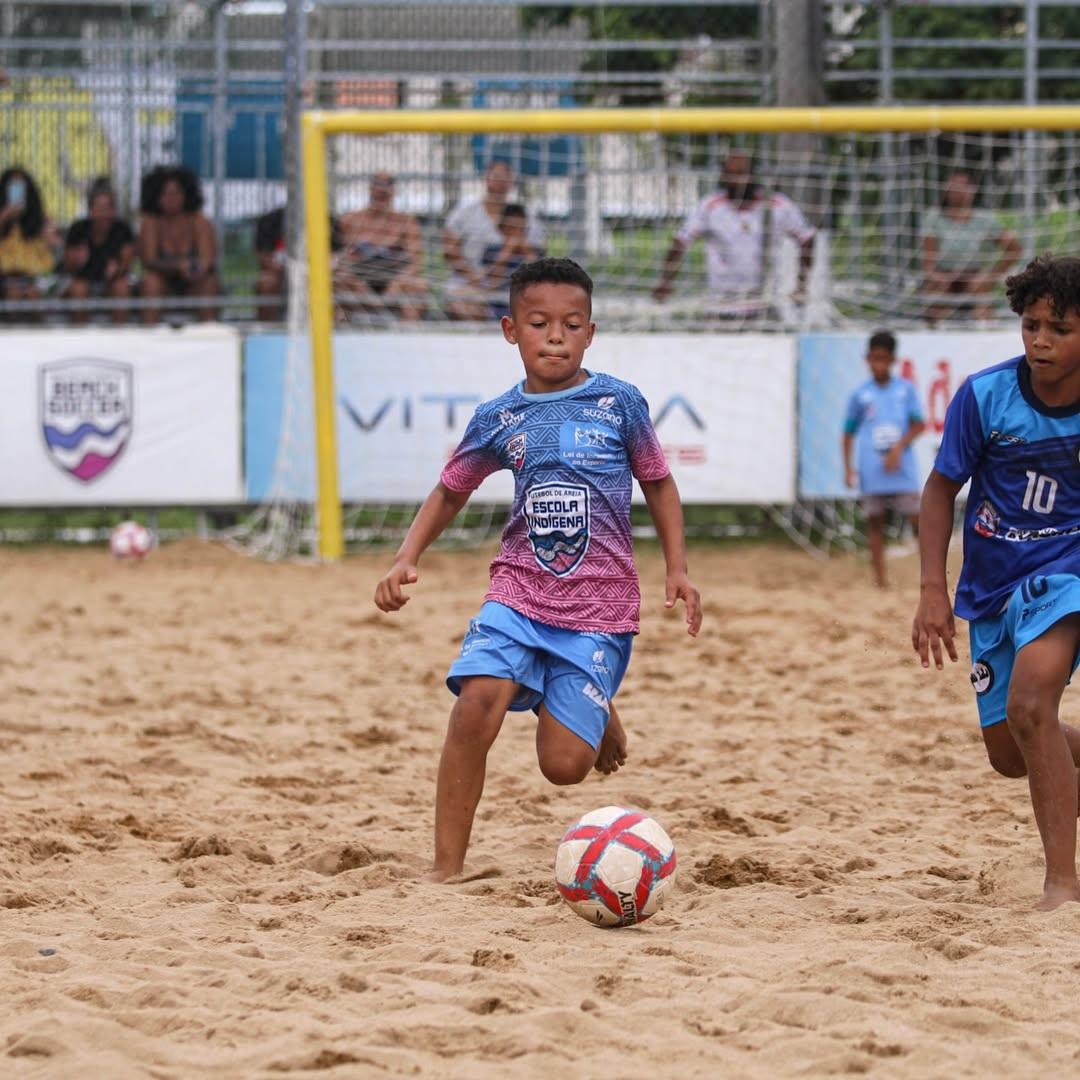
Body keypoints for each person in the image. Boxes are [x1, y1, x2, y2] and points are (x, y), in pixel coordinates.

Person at [374, 257, 703, 882]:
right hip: (518, 591)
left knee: (563, 767)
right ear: (510, 330)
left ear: (590, 333)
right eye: (539, 323)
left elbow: (659, 484)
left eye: (570, 324)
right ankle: (447, 869)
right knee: (476, 702)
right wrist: (406, 556)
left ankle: (596, 705)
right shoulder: (499, 417)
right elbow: (450, 490)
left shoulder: (619, 403)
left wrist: (678, 569)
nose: (555, 336)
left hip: (600, 609)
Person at [913, 254, 1080, 911]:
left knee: (1034, 704)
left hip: (1066, 576)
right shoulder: (985, 397)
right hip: (990, 587)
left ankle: (1062, 885)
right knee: (1012, 751)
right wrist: (932, 589)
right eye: (1030, 324)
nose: (1040, 339)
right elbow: (939, 490)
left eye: (1059, 328)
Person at [652, 149, 816, 316]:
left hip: (763, 305)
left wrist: (802, 285)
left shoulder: (778, 205)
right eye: (729, 174)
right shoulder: (710, 206)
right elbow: (680, 241)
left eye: (740, 173)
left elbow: (807, 238)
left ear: (753, 175)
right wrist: (665, 283)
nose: (735, 180)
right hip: (720, 305)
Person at [842, 330, 926, 588]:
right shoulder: (860, 395)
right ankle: (880, 580)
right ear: (867, 359)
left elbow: (919, 425)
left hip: (901, 468)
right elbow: (847, 432)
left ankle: (928, 577)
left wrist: (899, 448)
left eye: (883, 359)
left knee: (918, 520)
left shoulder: (905, 390)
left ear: (892, 360)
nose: (878, 364)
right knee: (875, 522)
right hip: (872, 468)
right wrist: (848, 469)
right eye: (873, 359)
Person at [443, 159, 545, 320]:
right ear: (486, 178)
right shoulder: (466, 211)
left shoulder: (525, 214)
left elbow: (537, 255)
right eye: (496, 175)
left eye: (506, 176)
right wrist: (476, 278)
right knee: (462, 304)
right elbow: (450, 251)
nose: (500, 181)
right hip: (468, 281)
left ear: (511, 181)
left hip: (514, 284)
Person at [921, 170, 1021, 323]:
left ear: (972, 190)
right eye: (953, 186)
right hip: (944, 275)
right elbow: (928, 262)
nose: (958, 191)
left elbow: (1014, 248)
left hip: (973, 276)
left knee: (979, 288)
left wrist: (992, 275)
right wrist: (937, 276)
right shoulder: (934, 219)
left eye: (963, 186)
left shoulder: (984, 219)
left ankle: (983, 332)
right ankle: (934, 329)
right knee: (937, 289)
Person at [333, 172, 427, 322]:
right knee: (336, 281)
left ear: (393, 192)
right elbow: (337, 257)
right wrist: (357, 283)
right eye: (378, 186)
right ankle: (337, 334)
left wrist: (397, 284)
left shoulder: (407, 222)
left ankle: (409, 335)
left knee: (419, 285)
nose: (382, 191)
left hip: (395, 279)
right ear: (370, 189)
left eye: (387, 186)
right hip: (358, 278)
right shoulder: (350, 220)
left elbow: (416, 261)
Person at [137, 164, 220, 324]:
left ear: (186, 195)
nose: (171, 199)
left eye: (176, 193)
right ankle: (150, 335)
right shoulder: (150, 222)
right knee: (150, 282)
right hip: (162, 283)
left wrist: (194, 269)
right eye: (166, 194)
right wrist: (177, 266)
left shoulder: (200, 221)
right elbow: (148, 260)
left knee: (209, 283)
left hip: (195, 281)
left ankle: (209, 335)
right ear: (156, 197)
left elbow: (207, 259)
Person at [60, 178, 135, 324]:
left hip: (112, 281)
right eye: (99, 209)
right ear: (91, 210)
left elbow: (127, 263)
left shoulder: (122, 229)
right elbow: (68, 267)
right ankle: (80, 336)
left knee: (121, 288)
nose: (104, 214)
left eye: (108, 208)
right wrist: (76, 261)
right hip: (84, 279)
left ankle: (120, 336)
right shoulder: (78, 229)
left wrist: (117, 269)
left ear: (114, 210)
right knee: (78, 290)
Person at [254, 205, 342, 322]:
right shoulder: (272, 219)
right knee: (267, 282)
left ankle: (328, 326)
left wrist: (316, 269)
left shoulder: (327, 219)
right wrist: (288, 269)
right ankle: (268, 327)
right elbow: (263, 255)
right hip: (280, 271)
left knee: (333, 281)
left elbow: (336, 254)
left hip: (316, 271)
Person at [0, 167, 57, 321]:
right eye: (12, 187)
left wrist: (49, 232)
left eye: (21, 187)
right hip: (6, 278)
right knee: (13, 293)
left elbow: (53, 250)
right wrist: (4, 216)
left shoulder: (40, 219)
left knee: (34, 294)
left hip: (34, 277)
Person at [479, 203, 544, 320]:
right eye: (512, 228)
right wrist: (506, 254)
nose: (517, 233)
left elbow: (540, 281)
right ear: (501, 228)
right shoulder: (492, 250)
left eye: (521, 229)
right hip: (497, 304)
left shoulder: (535, 251)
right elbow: (492, 282)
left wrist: (527, 252)